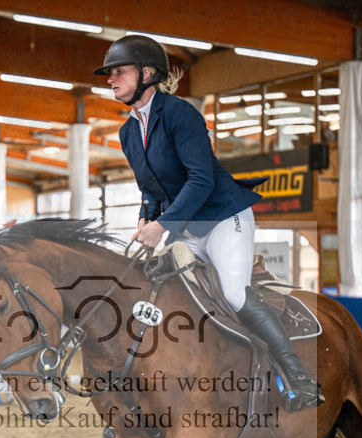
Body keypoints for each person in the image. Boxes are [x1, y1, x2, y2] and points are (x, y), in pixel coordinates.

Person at [94, 35, 323, 412]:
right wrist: (144, 219)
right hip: (182, 226)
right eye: (110, 73)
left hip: (222, 217)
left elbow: (200, 179)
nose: (111, 79)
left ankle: (298, 378)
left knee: (232, 292)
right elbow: (150, 189)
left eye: (119, 71)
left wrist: (162, 224)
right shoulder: (127, 132)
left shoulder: (181, 114)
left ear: (147, 73)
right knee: (154, 290)